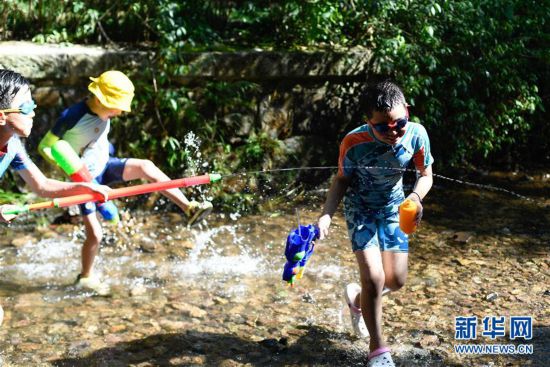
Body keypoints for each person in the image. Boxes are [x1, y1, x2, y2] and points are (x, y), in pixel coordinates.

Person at [38, 70, 212, 296]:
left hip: (104, 166)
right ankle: (86, 277)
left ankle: (189, 207)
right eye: (116, 106)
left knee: (146, 167)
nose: (120, 111)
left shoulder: (104, 113)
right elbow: (44, 146)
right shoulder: (72, 115)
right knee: (95, 234)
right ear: (100, 100)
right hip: (85, 181)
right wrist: (67, 167)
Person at [317, 81, 433, 367]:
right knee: (374, 277)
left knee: (396, 280)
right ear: (369, 121)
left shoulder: (417, 134)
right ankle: (378, 350)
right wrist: (326, 215)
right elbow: (341, 180)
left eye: (399, 123)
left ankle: (358, 299)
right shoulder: (353, 142)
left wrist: (416, 198)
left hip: (395, 207)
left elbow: (426, 174)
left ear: (406, 110)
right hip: (361, 210)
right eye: (383, 127)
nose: (393, 131)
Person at [0, 69, 109, 326]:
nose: (33, 111)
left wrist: (87, 188)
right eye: (25, 107)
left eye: (33, 104)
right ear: (1, 116)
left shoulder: (13, 145)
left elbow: (43, 185)